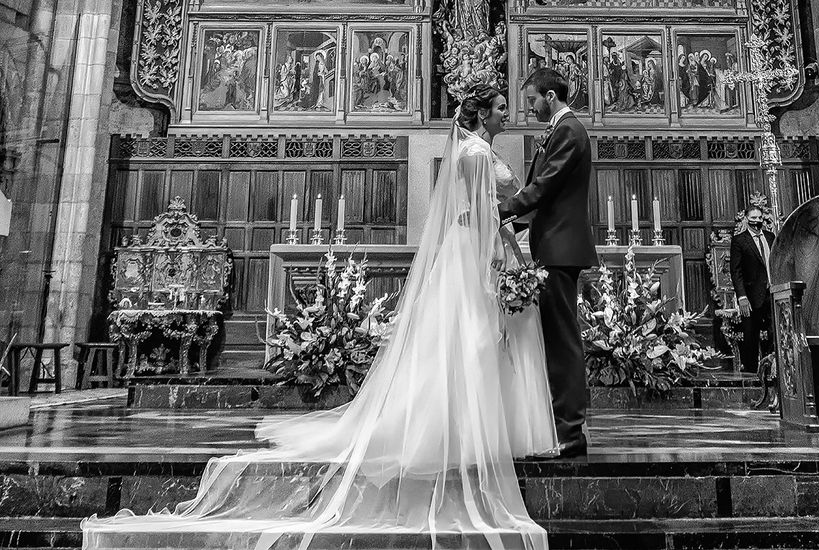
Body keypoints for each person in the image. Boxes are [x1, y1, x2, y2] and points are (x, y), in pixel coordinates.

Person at [82, 84, 556, 550]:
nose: (505, 114)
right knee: (466, 340)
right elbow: (478, 216)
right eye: (498, 108)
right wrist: (507, 251)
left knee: (469, 341)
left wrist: (509, 246)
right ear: (479, 114)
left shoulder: (474, 149)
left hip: (477, 251)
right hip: (473, 253)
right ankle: (455, 431)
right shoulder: (473, 155)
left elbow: (488, 214)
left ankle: (467, 429)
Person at [498, 68, 598, 459]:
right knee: (556, 340)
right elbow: (543, 195)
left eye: (532, 102)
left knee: (563, 342)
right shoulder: (561, 130)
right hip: (553, 246)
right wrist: (515, 220)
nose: (529, 110)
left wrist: (499, 210)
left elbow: (543, 188)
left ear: (551, 95)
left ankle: (571, 433)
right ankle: (563, 428)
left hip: (559, 250)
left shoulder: (569, 132)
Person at [730, 205, 776, 373]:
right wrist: (741, 296)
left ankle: (772, 367)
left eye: (759, 218)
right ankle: (750, 372)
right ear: (747, 219)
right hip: (751, 295)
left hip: (772, 293)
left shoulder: (771, 237)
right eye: (753, 218)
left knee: (774, 331)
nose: (757, 221)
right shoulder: (740, 240)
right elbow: (736, 271)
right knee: (751, 334)